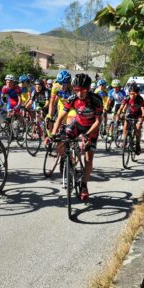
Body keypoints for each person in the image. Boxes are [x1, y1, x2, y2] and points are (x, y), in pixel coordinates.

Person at [51, 73, 102, 201]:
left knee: (88, 158)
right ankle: (69, 161)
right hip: (78, 124)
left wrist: (87, 134)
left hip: (92, 128)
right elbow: (60, 118)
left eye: (83, 90)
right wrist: (53, 134)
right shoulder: (72, 98)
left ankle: (84, 186)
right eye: (77, 90)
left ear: (88, 88)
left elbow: (98, 121)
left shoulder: (96, 99)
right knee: (60, 143)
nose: (80, 93)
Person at [115, 84, 144, 155]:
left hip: (138, 114)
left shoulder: (140, 99)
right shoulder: (127, 98)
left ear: (137, 93)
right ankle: (125, 140)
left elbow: (143, 111)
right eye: (130, 93)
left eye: (133, 94)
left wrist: (141, 118)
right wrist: (118, 114)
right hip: (130, 113)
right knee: (125, 125)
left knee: (138, 127)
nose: (132, 95)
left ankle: (138, 144)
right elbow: (121, 108)